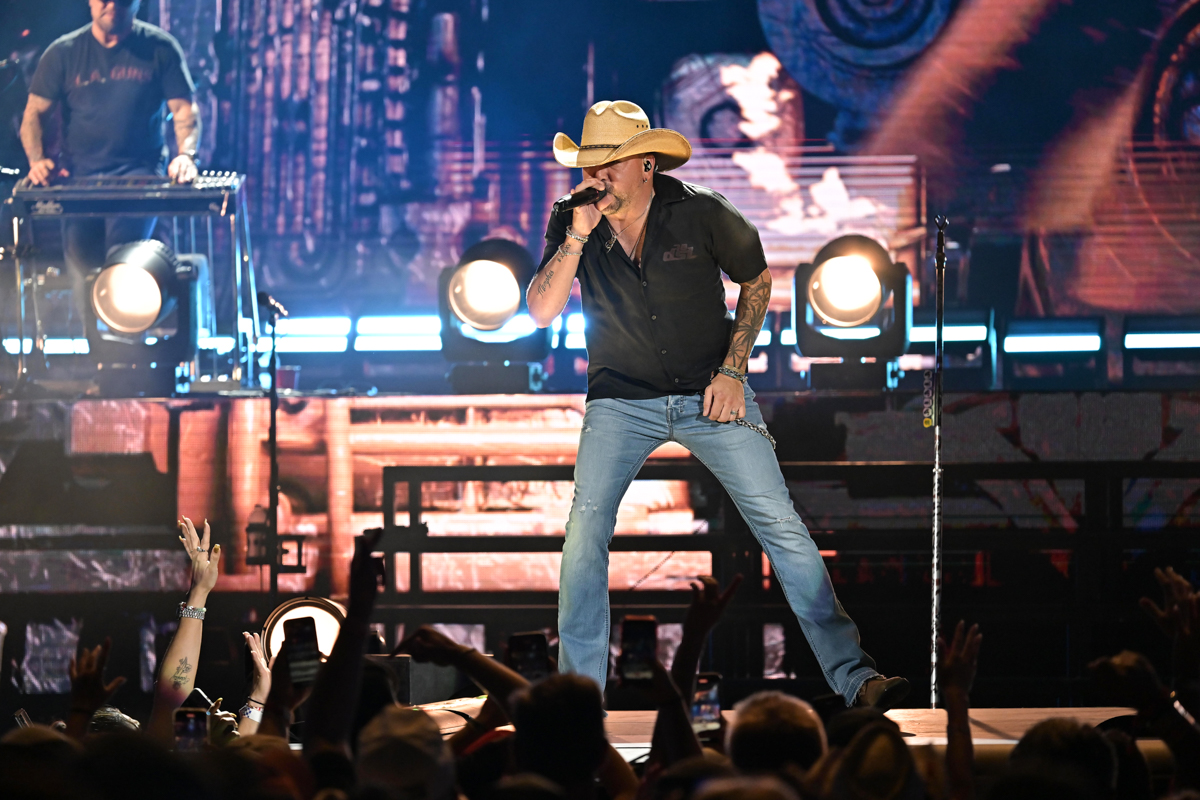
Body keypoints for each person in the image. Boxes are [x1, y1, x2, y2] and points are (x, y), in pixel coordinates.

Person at [526, 99, 907, 708]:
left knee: (782, 527)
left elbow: (756, 279)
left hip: (713, 391)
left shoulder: (703, 212)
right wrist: (573, 238)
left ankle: (855, 678)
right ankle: (580, 695)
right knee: (584, 533)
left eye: (609, 166)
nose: (596, 179)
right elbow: (542, 309)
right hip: (621, 399)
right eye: (589, 167)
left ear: (646, 164)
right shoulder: (571, 220)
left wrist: (733, 370)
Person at [19, 0, 200, 327]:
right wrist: (38, 160)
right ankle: (97, 359)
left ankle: (127, 354)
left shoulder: (159, 47)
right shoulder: (64, 52)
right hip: (79, 180)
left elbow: (185, 110)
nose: (112, 4)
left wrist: (185, 155)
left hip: (138, 176)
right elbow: (33, 116)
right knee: (83, 271)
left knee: (123, 262)